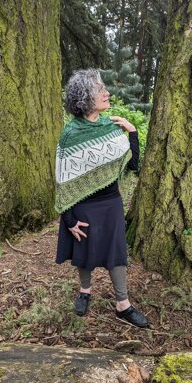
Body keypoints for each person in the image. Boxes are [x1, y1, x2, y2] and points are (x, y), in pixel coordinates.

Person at [55, 68, 148, 328]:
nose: (107, 93)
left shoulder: (111, 128)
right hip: (83, 206)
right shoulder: (70, 135)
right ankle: (85, 292)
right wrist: (70, 220)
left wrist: (132, 133)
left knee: (116, 252)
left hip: (111, 203)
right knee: (83, 251)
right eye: (100, 90)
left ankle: (123, 304)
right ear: (85, 97)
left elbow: (132, 165)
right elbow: (63, 183)